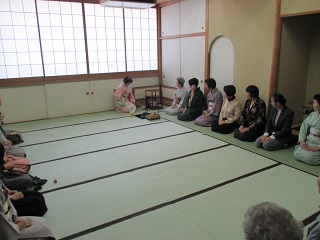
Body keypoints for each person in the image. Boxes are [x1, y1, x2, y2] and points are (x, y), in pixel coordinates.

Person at [294, 94, 320, 165]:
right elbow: (304, 126)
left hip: (318, 143)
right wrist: (302, 141)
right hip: (310, 141)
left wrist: (318, 147)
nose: (313, 105)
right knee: (297, 153)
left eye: (315, 103)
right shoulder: (313, 114)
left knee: (310, 158)